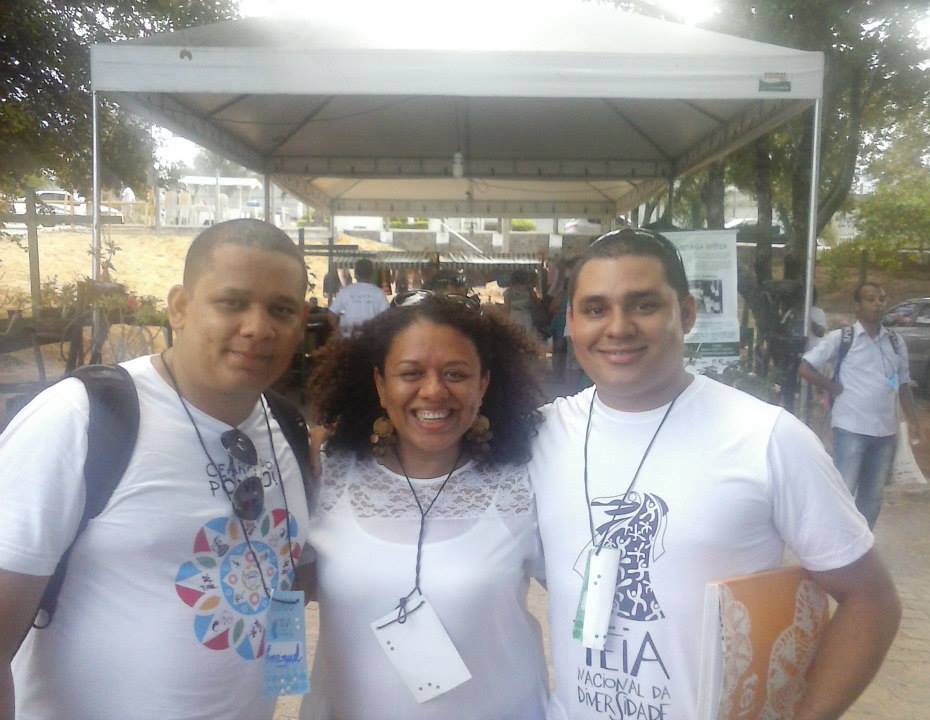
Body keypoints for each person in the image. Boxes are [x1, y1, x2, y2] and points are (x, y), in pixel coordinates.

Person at [530, 228, 901, 720]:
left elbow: (870, 601)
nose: (618, 327)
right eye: (596, 309)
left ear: (686, 313)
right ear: (572, 322)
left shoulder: (767, 438)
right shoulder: (539, 436)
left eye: (643, 305)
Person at [0, 219, 313, 720]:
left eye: (281, 309)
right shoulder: (83, 418)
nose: (258, 328)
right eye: (232, 302)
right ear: (180, 307)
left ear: (302, 322)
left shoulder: (287, 429)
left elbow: (282, 581)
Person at [300, 291, 548, 720]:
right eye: (410, 373)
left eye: (455, 374)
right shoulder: (327, 472)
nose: (433, 391)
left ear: (483, 384)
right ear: (381, 385)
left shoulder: (525, 479)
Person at [799, 282, 923, 528]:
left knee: (872, 498)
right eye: (870, 299)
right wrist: (831, 386)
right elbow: (805, 368)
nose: (877, 304)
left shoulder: (895, 342)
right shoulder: (842, 338)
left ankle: (863, 543)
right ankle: (836, 542)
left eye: (881, 299)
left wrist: (914, 421)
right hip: (851, 428)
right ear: (857, 306)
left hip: (885, 433)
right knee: (843, 492)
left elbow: (903, 384)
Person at [329, 257, 388, 336]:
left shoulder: (345, 291)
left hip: (348, 338)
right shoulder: (378, 293)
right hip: (370, 337)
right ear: (372, 274)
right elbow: (387, 316)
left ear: (355, 274)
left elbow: (331, 314)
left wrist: (337, 330)